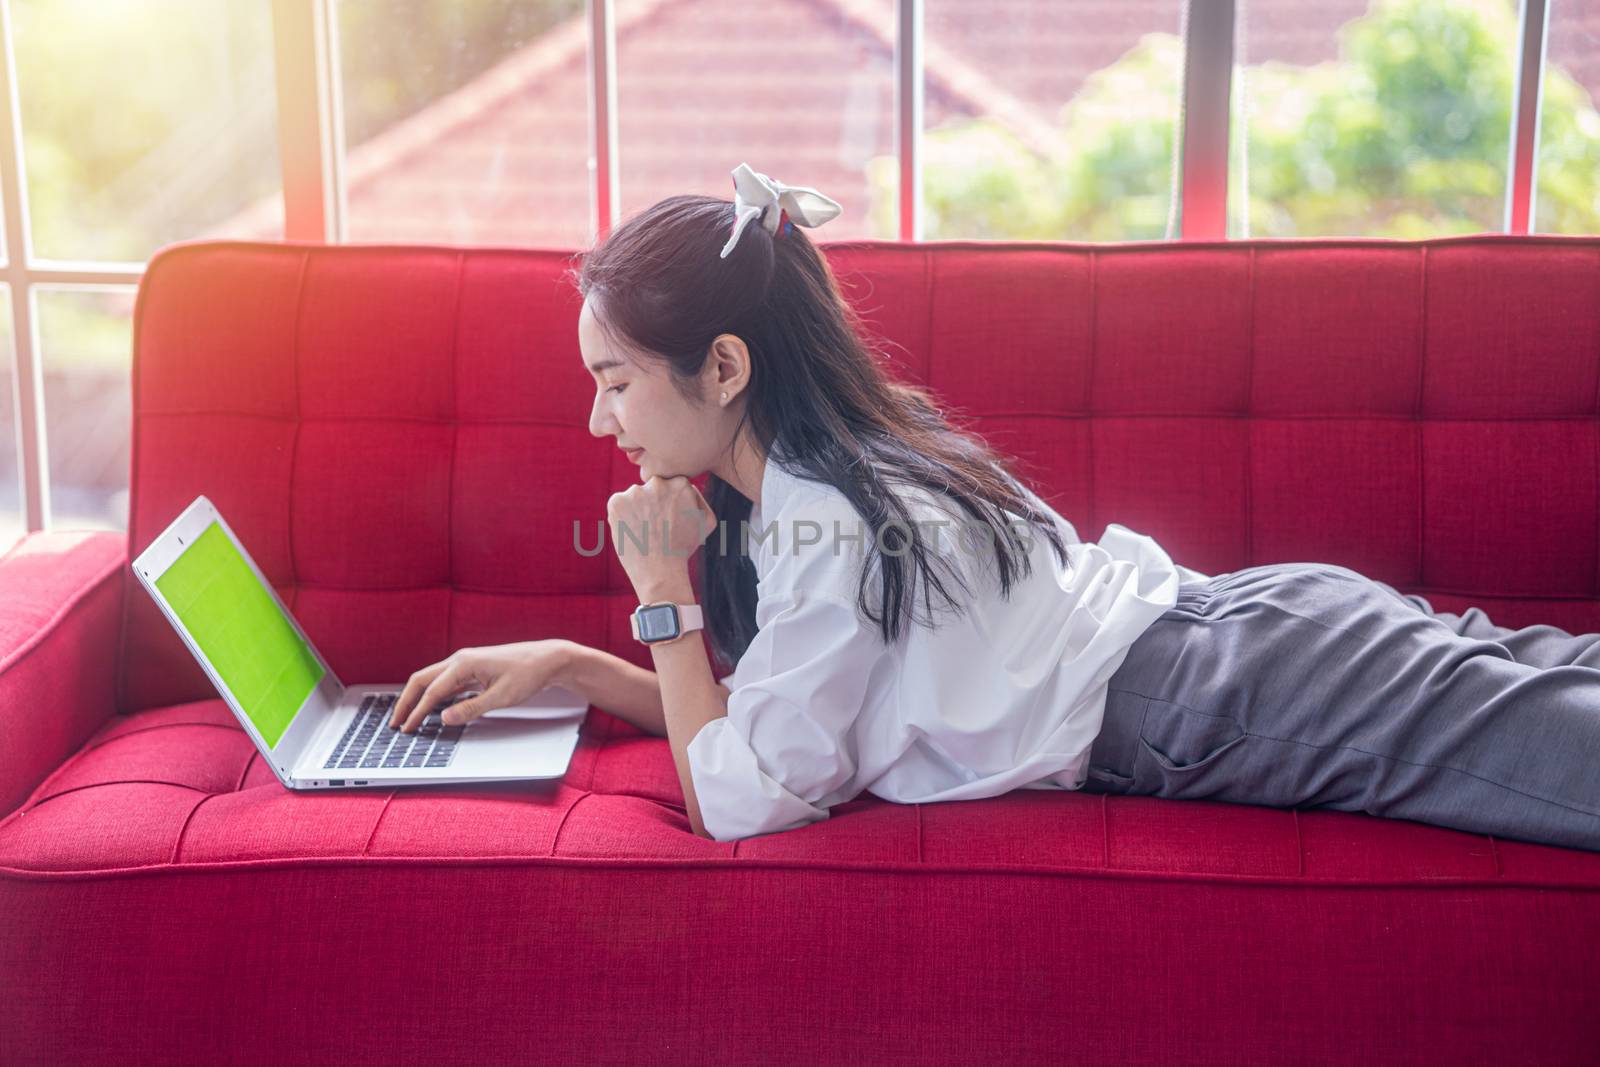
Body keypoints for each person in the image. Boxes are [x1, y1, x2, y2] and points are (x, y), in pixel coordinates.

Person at [389, 163, 1600, 853]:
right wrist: (573, 665)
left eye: (615, 382)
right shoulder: (835, 466)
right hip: (1241, 639)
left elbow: (735, 800)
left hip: (1219, 693)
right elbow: (769, 726)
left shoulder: (830, 521)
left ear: (723, 364)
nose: (603, 424)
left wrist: (661, 601)